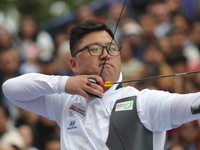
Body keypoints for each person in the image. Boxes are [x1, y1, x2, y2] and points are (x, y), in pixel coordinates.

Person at [2, 19, 200, 150]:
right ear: (73, 64)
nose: (106, 54)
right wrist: (65, 83)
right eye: (94, 49)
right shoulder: (65, 101)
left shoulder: (145, 102)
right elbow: (11, 89)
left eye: (112, 48)